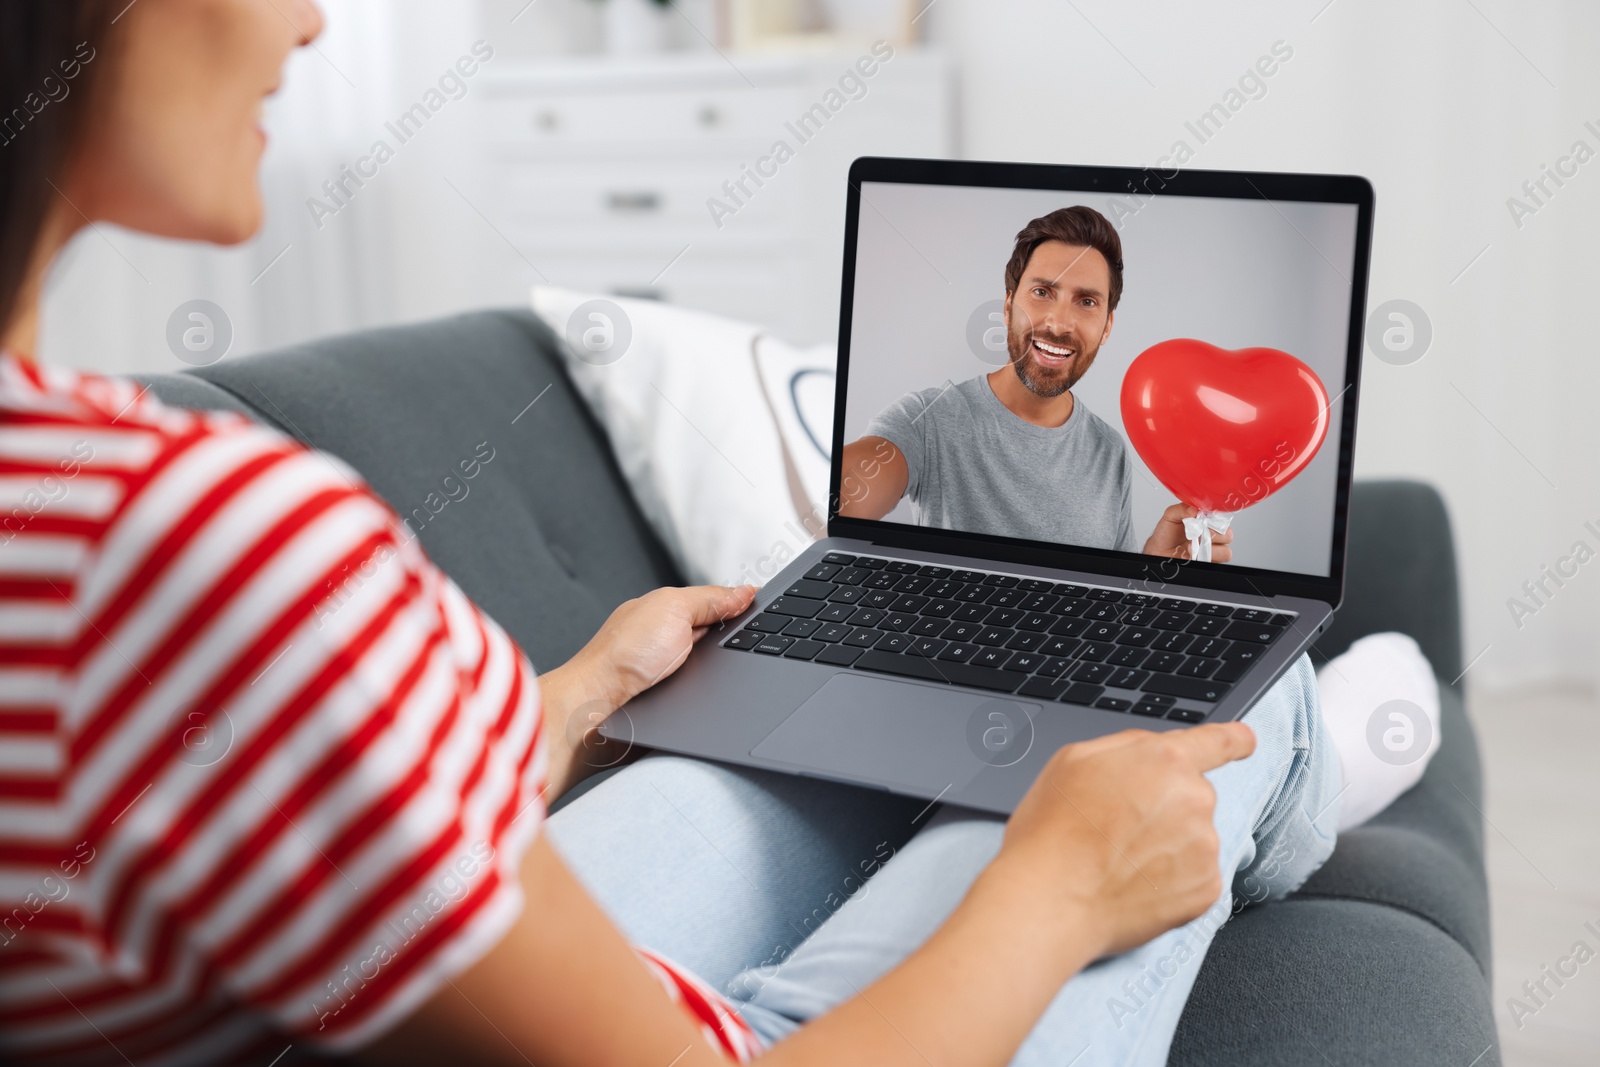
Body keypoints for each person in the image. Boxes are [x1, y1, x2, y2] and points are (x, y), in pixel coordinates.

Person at [0, 3, 1344, 1065]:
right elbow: (877, 470)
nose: (307, 22)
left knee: (1004, 715)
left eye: (1087, 300)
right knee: (1236, 711)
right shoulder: (195, 533)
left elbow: (317, 811)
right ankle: (1306, 766)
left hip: (394, 995)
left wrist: (583, 689)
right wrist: (1055, 891)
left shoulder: (84, 501)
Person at [838, 206, 1237, 563]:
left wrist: (1152, 566)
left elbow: (1114, 605)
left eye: (1086, 302)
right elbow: (840, 501)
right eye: (1043, 292)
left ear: (1106, 327)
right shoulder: (929, 419)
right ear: (1009, 305)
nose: (1059, 324)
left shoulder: (1109, 451)